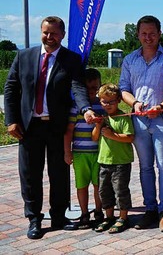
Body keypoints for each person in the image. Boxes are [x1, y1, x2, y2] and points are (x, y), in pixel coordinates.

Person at [4, 16, 96, 239]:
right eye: (46, 32)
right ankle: (34, 219)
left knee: (59, 173)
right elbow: (10, 89)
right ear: (41, 32)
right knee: (30, 174)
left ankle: (58, 216)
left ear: (62, 35)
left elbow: (78, 87)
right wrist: (11, 120)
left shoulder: (71, 59)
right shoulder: (24, 56)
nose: (49, 37)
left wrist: (85, 109)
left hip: (57, 126)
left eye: (54, 33)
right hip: (29, 127)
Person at [119, 15, 163, 232]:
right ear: (137, 34)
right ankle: (150, 209)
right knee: (145, 167)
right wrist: (134, 103)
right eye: (144, 33)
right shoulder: (129, 60)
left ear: (159, 33)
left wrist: (161, 106)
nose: (148, 37)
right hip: (139, 122)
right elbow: (123, 89)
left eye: (152, 33)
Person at [63, 68, 106, 230]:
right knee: (82, 185)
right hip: (80, 154)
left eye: (95, 87)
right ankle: (84, 213)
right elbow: (68, 131)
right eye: (88, 88)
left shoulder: (102, 106)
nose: (92, 91)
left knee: (98, 185)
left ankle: (99, 211)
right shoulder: (76, 107)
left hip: (99, 152)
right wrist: (68, 152)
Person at [92, 84, 135, 234]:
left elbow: (130, 138)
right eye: (104, 101)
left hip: (121, 162)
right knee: (104, 191)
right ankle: (109, 217)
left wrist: (113, 136)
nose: (108, 105)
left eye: (111, 101)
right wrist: (98, 126)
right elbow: (94, 137)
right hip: (104, 161)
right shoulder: (102, 118)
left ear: (118, 101)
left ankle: (123, 218)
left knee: (120, 191)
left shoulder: (123, 117)